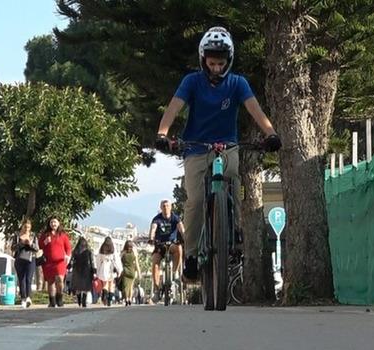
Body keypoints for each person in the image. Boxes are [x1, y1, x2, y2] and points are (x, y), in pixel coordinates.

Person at [155, 26, 281, 281]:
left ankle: (233, 232)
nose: (216, 68)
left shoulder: (238, 83)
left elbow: (256, 110)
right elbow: (174, 108)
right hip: (196, 148)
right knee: (195, 201)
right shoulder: (191, 82)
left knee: (233, 179)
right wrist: (162, 133)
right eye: (211, 63)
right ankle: (190, 255)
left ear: (229, 61)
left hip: (227, 146)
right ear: (203, 59)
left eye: (220, 63)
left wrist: (271, 134)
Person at [148, 199, 185, 303]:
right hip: (160, 245)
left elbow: (181, 228)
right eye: (163, 206)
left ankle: (175, 271)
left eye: (167, 206)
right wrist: (151, 237)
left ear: (171, 207)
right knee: (155, 261)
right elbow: (153, 228)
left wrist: (184, 237)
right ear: (161, 208)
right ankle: (156, 290)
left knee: (179, 248)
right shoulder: (157, 219)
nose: (165, 208)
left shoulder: (175, 217)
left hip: (172, 244)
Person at [38, 216, 72, 307]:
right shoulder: (45, 234)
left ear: (58, 223)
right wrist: (45, 241)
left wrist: (68, 256)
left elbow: (68, 247)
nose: (53, 224)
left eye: (55, 222)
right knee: (50, 281)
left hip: (60, 262)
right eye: (52, 222)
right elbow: (40, 246)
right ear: (49, 224)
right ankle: (52, 301)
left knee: (60, 279)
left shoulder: (63, 235)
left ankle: (59, 299)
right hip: (48, 262)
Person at [13, 219, 38, 308]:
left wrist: (30, 244)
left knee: (29, 279)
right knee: (21, 279)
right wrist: (21, 243)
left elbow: (37, 248)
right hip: (20, 259)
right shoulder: (17, 235)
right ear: (22, 226)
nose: (26, 228)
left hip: (31, 259)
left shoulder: (33, 236)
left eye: (28, 227)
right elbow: (13, 247)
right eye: (25, 226)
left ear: (30, 227)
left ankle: (28, 297)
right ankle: (23, 298)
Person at [94, 236, 121, 307]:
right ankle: (110, 300)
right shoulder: (113, 250)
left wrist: (98, 271)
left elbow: (98, 261)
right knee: (111, 284)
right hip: (111, 268)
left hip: (104, 267)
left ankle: (105, 295)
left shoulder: (101, 249)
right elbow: (117, 261)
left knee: (105, 283)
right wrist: (119, 270)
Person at [70, 236, 94, 308]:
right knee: (85, 287)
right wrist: (93, 269)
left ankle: (79, 300)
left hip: (77, 269)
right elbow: (92, 261)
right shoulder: (88, 251)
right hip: (86, 270)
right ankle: (83, 301)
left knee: (78, 286)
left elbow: (71, 260)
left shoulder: (75, 251)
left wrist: (70, 266)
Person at [120, 240, 140, 306]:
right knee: (131, 287)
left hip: (125, 271)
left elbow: (119, 261)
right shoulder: (134, 253)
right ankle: (130, 299)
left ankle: (126, 299)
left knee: (125, 286)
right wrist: (139, 273)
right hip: (132, 271)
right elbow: (137, 264)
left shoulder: (123, 253)